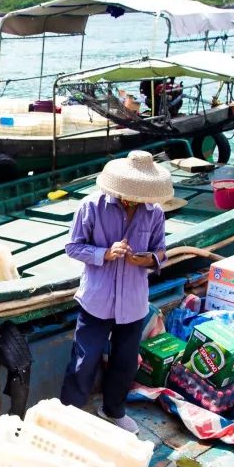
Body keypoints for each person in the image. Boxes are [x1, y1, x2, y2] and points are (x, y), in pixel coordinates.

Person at [59, 150, 172, 435]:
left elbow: (161, 252)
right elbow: (73, 247)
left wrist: (145, 259)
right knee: (84, 360)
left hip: (134, 303)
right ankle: (68, 415)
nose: (132, 200)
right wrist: (105, 253)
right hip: (96, 300)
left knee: (125, 362)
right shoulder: (92, 206)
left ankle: (113, 411)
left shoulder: (154, 212)